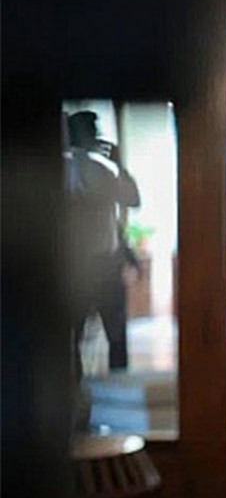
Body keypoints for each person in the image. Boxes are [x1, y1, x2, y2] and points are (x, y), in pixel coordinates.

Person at [66, 110, 142, 374]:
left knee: (75, 333)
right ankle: (116, 383)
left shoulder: (91, 169)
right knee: (112, 332)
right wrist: (119, 164)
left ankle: (75, 386)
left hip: (87, 262)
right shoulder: (99, 169)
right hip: (93, 262)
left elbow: (118, 214)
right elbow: (133, 199)